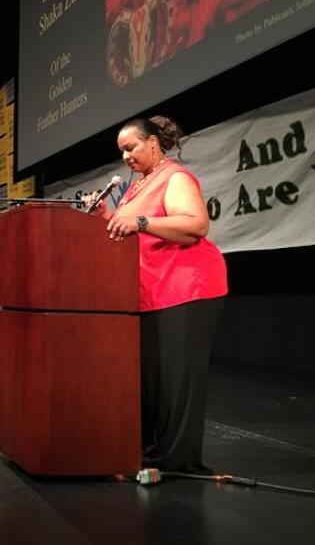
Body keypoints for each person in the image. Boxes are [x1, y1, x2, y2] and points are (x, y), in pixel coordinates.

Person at [86, 115, 228, 472]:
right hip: (151, 291)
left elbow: (195, 224)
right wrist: (107, 215)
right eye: (121, 152)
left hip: (187, 287)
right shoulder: (138, 185)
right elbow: (131, 230)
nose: (126, 157)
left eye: (130, 147)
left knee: (175, 382)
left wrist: (141, 222)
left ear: (152, 143)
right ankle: (152, 455)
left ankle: (176, 463)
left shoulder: (174, 177)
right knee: (153, 381)